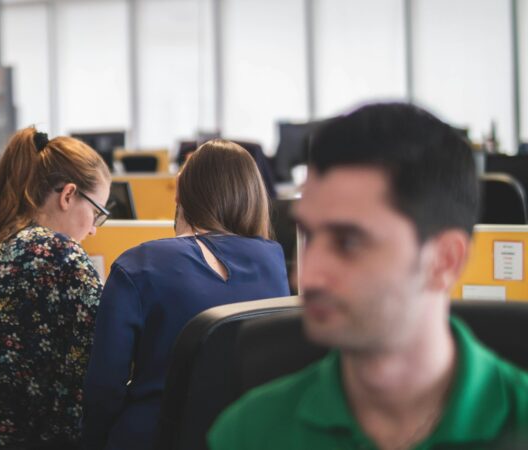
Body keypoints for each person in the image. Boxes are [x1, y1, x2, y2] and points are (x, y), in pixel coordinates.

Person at [209, 103, 528, 450]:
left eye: (348, 242)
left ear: (445, 261)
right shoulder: (249, 433)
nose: (307, 277)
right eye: (308, 236)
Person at [83, 139, 290, 450]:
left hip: (154, 437)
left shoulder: (139, 264)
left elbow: (104, 387)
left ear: (180, 194)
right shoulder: (272, 259)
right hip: (240, 435)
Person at [0, 127, 111, 449]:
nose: (94, 230)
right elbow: (102, 360)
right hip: (28, 436)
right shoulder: (58, 254)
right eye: (97, 213)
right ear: (68, 195)